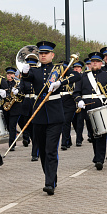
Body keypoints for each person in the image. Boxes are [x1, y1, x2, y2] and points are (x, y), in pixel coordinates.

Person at [21, 41, 76, 195]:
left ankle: (49, 183)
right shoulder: (35, 71)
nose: (43, 55)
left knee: (51, 150)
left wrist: (60, 82)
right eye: (41, 53)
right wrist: (25, 72)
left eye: (46, 53)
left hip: (55, 116)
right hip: (38, 116)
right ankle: (52, 176)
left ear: (52, 55)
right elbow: (27, 79)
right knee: (43, 151)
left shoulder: (59, 69)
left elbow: (77, 75)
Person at [74, 52, 107, 170]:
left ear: (101, 63)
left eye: (97, 61)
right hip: (87, 108)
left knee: (101, 134)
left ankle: (100, 159)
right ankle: (97, 155)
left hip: (102, 106)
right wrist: (79, 100)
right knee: (93, 135)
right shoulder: (83, 76)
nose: (94, 63)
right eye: (92, 61)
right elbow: (76, 92)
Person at [18, 55, 40, 161]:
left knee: (36, 129)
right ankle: (27, 137)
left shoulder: (38, 76)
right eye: (29, 66)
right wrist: (17, 91)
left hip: (36, 102)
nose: (30, 68)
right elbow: (21, 88)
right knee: (26, 126)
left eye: (32, 66)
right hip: (26, 104)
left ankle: (35, 153)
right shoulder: (24, 78)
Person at [59, 61, 80, 150]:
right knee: (62, 122)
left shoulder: (72, 78)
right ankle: (68, 140)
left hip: (70, 101)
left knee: (66, 122)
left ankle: (64, 143)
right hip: (60, 101)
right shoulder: (58, 78)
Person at [4, 67, 22, 151]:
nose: (9, 75)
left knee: (12, 126)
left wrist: (17, 92)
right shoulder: (4, 83)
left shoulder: (18, 83)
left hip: (15, 107)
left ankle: (12, 145)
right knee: (8, 126)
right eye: (8, 74)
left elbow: (22, 94)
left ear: (14, 75)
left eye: (11, 74)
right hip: (6, 107)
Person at [71, 61, 86, 147]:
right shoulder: (71, 77)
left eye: (78, 67)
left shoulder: (83, 77)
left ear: (81, 69)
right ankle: (79, 136)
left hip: (81, 101)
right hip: (72, 101)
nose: (76, 69)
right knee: (74, 121)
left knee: (80, 121)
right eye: (75, 67)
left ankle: (78, 140)